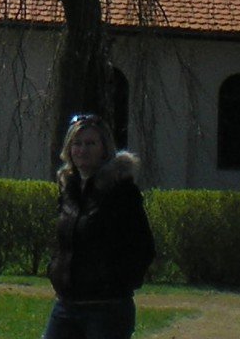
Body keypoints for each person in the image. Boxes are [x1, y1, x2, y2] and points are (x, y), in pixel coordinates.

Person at [44, 113, 156, 339]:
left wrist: (116, 282)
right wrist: (55, 269)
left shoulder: (121, 192)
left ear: (104, 149)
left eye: (90, 143)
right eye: (77, 143)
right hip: (67, 305)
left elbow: (143, 247)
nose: (82, 150)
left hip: (107, 309)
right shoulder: (69, 191)